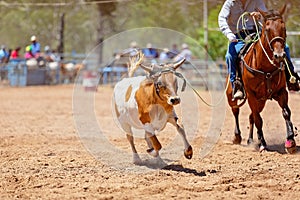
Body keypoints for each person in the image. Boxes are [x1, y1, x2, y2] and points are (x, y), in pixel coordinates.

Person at [218, 0, 300, 100]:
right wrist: (229, 34)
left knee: (285, 47)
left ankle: (291, 77)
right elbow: (222, 18)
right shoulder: (230, 3)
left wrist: (259, 17)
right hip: (237, 36)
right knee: (230, 56)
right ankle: (236, 84)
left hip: (256, 33)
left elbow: (267, 19)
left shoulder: (257, 1)